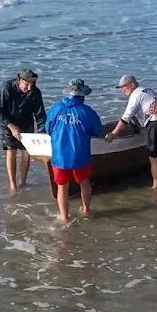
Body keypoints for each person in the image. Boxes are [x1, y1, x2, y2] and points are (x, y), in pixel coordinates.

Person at [45, 79, 103, 222]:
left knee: (62, 187)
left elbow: (48, 129)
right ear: (82, 95)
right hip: (80, 155)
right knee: (84, 182)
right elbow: (97, 130)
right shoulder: (87, 111)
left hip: (60, 156)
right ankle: (86, 209)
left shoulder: (55, 108)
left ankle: (64, 217)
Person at [105, 75, 157, 189]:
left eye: (124, 86)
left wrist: (114, 134)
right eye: (120, 88)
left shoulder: (135, 95)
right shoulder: (146, 90)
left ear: (132, 85)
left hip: (155, 124)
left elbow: (125, 119)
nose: (122, 90)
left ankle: (156, 186)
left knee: (154, 156)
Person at [0, 67, 46, 191]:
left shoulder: (35, 92)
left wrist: (42, 133)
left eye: (32, 84)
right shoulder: (6, 88)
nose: (29, 88)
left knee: (26, 152)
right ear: (19, 80)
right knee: (11, 151)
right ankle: (13, 185)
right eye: (26, 84)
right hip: (9, 123)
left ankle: (23, 182)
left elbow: (40, 115)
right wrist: (11, 126)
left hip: (26, 122)